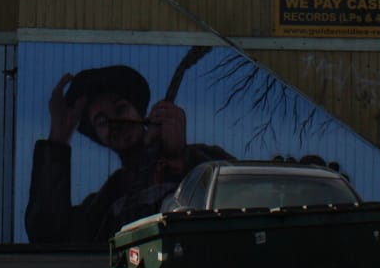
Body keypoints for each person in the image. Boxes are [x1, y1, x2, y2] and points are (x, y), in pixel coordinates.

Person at [23, 63, 230, 245]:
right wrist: (58, 138)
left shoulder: (204, 161)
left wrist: (183, 158)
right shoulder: (100, 209)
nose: (116, 124)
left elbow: (237, 196)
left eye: (120, 109)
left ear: (140, 113)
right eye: (102, 122)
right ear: (99, 137)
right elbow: (47, 238)